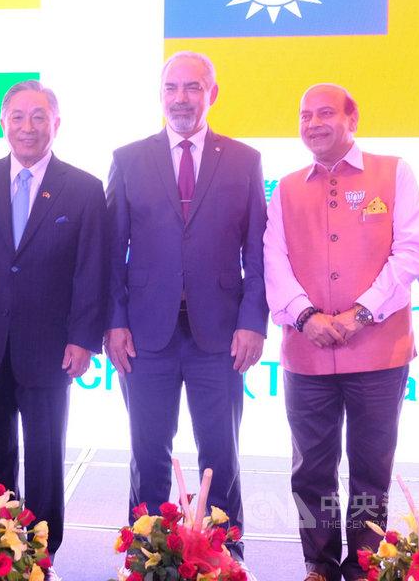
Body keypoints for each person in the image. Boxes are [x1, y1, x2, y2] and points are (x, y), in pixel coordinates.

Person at [0, 80, 107, 572]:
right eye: (17, 116)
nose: (27, 127)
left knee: (45, 451)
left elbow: (90, 269)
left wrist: (83, 338)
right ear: (3, 123)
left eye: (38, 117)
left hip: (51, 347)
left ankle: (41, 550)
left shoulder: (83, 187)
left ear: (57, 123)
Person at [105, 51, 267, 562]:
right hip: (145, 334)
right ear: (160, 95)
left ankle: (225, 553)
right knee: (148, 451)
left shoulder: (244, 160)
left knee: (220, 451)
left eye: (193, 87)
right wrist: (114, 322)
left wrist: (252, 322)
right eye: (172, 88)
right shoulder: (128, 158)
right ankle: (147, 552)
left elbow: (257, 252)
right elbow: (110, 252)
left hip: (219, 334)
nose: (181, 98)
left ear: (211, 94)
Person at [264, 84, 419, 581]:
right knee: (311, 470)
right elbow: (273, 259)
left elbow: (413, 252)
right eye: (304, 115)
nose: (313, 123)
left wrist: (360, 314)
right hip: (306, 351)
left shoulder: (394, 171)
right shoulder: (287, 187)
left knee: (370, 468)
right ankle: (318, 561)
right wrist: (306, 316)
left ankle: (364, 563)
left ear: (352, 118)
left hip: (379, 350)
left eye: (325, 113)